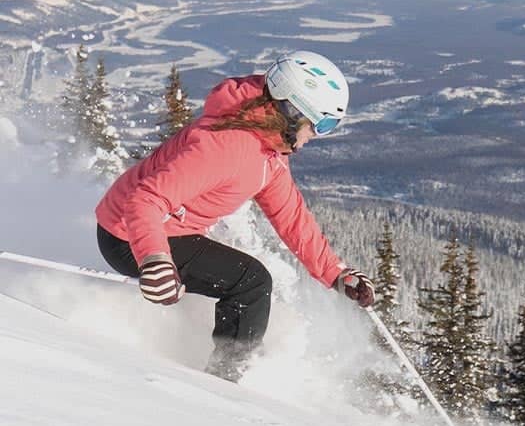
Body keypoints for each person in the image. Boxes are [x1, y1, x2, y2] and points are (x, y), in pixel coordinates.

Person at [95, 50, 375, 381]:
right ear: (292, 109)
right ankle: (224, 382)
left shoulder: (265, 147)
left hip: (160, 228)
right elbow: (145, 200)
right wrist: (155, 260)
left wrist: (336, 274)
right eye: (322, 123)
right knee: (250, 284)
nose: (317, 134)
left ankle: (223, 369)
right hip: (129, 236)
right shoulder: (229, 147)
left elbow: (291, 216)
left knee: (246, 279)